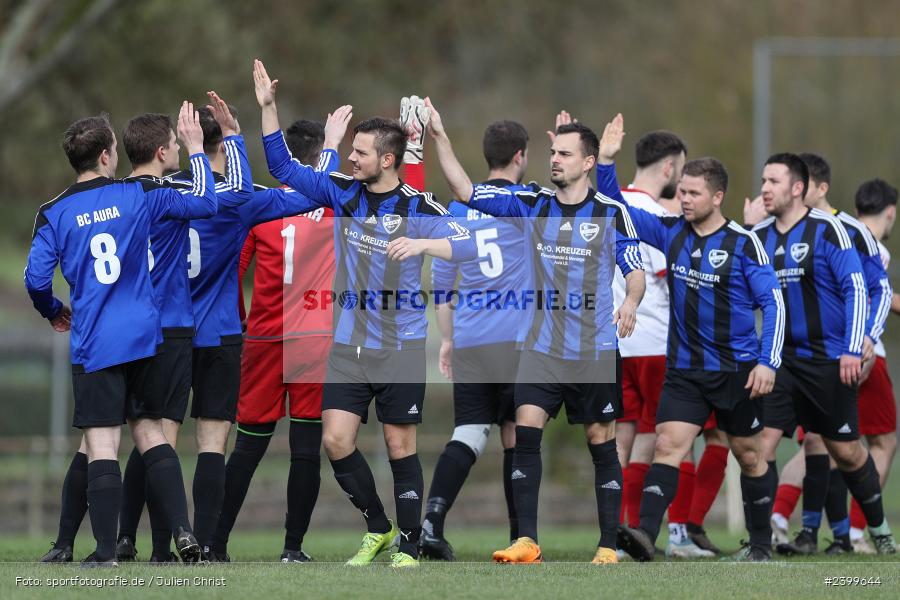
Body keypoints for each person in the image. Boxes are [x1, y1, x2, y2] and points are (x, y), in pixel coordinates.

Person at [255, 59, 477, 568]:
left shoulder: (420, 206)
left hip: (399, 346)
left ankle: (409, 545)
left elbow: (470, 244)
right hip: (348, 345)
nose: (350, 158)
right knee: (335, 440)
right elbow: (284, 171)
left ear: (389, 159)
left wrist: (423, 243)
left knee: (401, 447)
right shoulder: (343, 193)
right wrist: (268, 109)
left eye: (360, 152)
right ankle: (378, 527)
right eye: (351, 150)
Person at [429, 100, 645, 565]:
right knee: (526, 428)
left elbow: (635, 270)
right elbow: (467, 190)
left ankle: (608, 545)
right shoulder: (531, 204)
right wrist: (440, 138)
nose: (554, 160)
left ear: (588, 163)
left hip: (594, 349)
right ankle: (527, 540)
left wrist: (630, 301)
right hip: (541, 348)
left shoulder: (611, 213)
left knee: (600, 441)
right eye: (553, 154)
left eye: (565, 154)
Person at [28, 106, 217, 566]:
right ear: (109, 155)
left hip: (95, 338)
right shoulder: (138, 194)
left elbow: (35, 280)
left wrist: (54, 310)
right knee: (152, 433)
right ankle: (185, 532)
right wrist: (197, 150)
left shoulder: (54, 212)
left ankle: (107, 551)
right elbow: (207, 204)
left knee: (102, 444)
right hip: (146, 337)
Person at [598, 117, 785, 562]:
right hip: (684, 371)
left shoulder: (743, 243)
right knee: (667, 444)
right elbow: (614, 209)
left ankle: (760, 546)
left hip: (736, 370)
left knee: (750, 456)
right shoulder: (671, 232)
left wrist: (767, 362)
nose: (683, 200)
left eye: (693, 194)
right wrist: (605, 160)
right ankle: (644, 535)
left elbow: (774, 304)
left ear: (717, 197)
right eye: (680, 191)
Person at [751, 153, 896, 555]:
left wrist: (858, 344)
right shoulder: (759, 236)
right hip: (780, 362)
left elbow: (862, 288)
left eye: (773, 181)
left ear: (800, 188)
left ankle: (877, 529)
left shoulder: (834, 230)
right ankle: (762, 540)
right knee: (759, 445)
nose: (764, 188)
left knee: (846, 452)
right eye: (763, 180)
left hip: (829, 361)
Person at [208, 118, 336, 563]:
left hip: (263, 336)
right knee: (305, 449)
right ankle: (292, 548)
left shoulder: (258, 209)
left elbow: (230, 273)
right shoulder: (334, 208)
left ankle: (215, 543)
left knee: (247, 446)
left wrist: (241, 324)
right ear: (319, 159)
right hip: (314, 338)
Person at [421, 118, 537, 560]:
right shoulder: (526, 205)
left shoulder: (458, 211)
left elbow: (444, 287)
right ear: (521, 156)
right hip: (517, 339)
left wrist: (447, 340)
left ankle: (432, 520)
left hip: (470, 338)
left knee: (469, 432)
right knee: (517, 436)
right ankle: (519, 535)